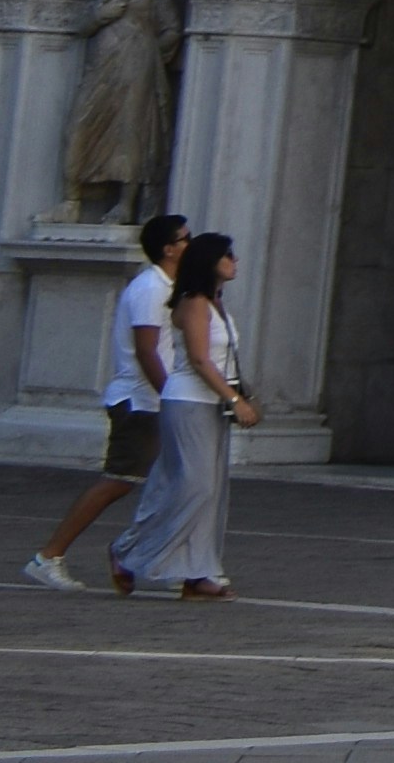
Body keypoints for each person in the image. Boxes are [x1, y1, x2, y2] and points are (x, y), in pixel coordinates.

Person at [21, 213, 190, 588]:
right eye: (185, 238)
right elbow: (147, 351)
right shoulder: (151, 288)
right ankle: (49, 555)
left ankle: (146, 557)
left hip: (148, 400)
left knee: (174, 481)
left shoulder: (166, 286)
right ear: (168, 248)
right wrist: (172, 395)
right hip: (138, 401)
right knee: (118, 480)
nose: (190, 244)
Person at [106, 233, 251, 600]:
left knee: (211, 488)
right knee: (194, 485)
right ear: (210, 261)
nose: (234, 261)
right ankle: (129, 549)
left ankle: (199, 571)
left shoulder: (216, 303)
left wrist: (239, 393)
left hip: (211, 403)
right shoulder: (193, 302)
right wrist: (235, 399)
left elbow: (222, 358)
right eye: (227, 255)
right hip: (188, 401)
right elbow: (200, 360)